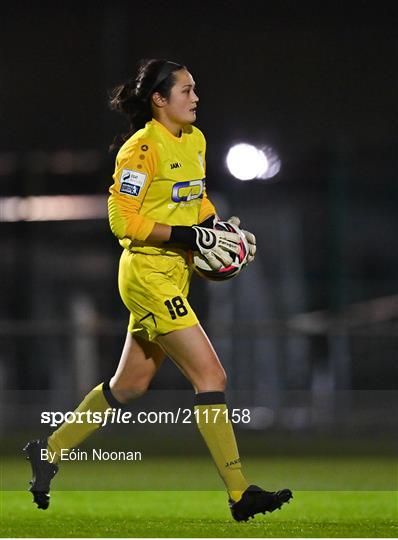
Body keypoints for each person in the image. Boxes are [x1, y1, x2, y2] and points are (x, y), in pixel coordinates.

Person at [24, 59, 292, 521]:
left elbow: (196, 198)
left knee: (128, 386)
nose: (196, 98)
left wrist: (216, 227)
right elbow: (122, 221)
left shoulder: (196, 139)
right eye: (186, 91)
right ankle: (239, 492)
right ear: (159, 100)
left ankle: (48, 452)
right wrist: (192, 237)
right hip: (146, 275)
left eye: (195, 90)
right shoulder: (140, 149)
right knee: (212, 377)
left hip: (175, 273)